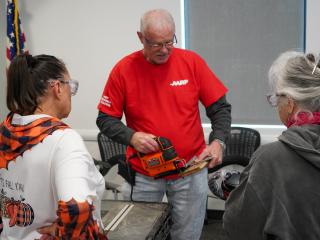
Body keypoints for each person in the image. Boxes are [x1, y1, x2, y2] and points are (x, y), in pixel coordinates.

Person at [96, 9, 231, 240]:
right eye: (157, 44)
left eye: (169, 41)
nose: (165, 49)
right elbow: (105, 119)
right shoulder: (123, 70)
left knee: (187, 235)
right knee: (139, 233)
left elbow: (220, 108)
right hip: (145, 172)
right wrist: (132, 137)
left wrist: (218, 142)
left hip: (190, 168)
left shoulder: (191, 63)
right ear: (141, 38)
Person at [0, 54, 107, 239]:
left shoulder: (6, 131)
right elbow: (77, 210)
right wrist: (62, 232)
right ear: (57, 88)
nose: (71, 94)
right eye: (70, 86)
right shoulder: (64, 140)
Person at [223, 51, 320, 240]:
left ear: (290, 104)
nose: (276, 105)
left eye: (276, 99)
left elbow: (239, 227)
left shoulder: (270, 159)